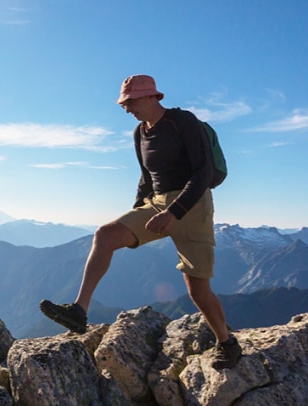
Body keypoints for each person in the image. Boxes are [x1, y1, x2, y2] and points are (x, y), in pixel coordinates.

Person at [39, 74, 242, 369]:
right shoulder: (140, 133)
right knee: (105, 235)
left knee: (197, 290)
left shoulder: (183, 122)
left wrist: (174, 212)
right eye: (124, 103)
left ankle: (227, 343)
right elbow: (146, 178)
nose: (126, 108)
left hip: (193, 206)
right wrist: (136, 212)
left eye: (130, 102)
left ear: (151, 97)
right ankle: (79, 312)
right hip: (157, 203)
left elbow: (203, 173)